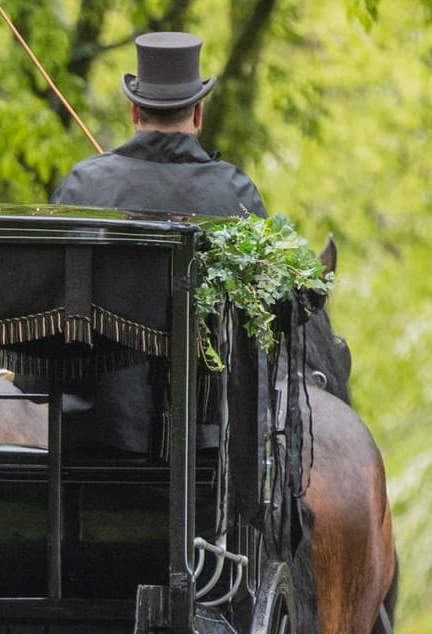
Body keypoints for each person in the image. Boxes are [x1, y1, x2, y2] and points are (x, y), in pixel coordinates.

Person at [47, 30, 267, 456]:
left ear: (133, 110)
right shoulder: (237, 194)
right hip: (209, 448)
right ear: (198, 113)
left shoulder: (83, 187)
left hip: (92, 444)